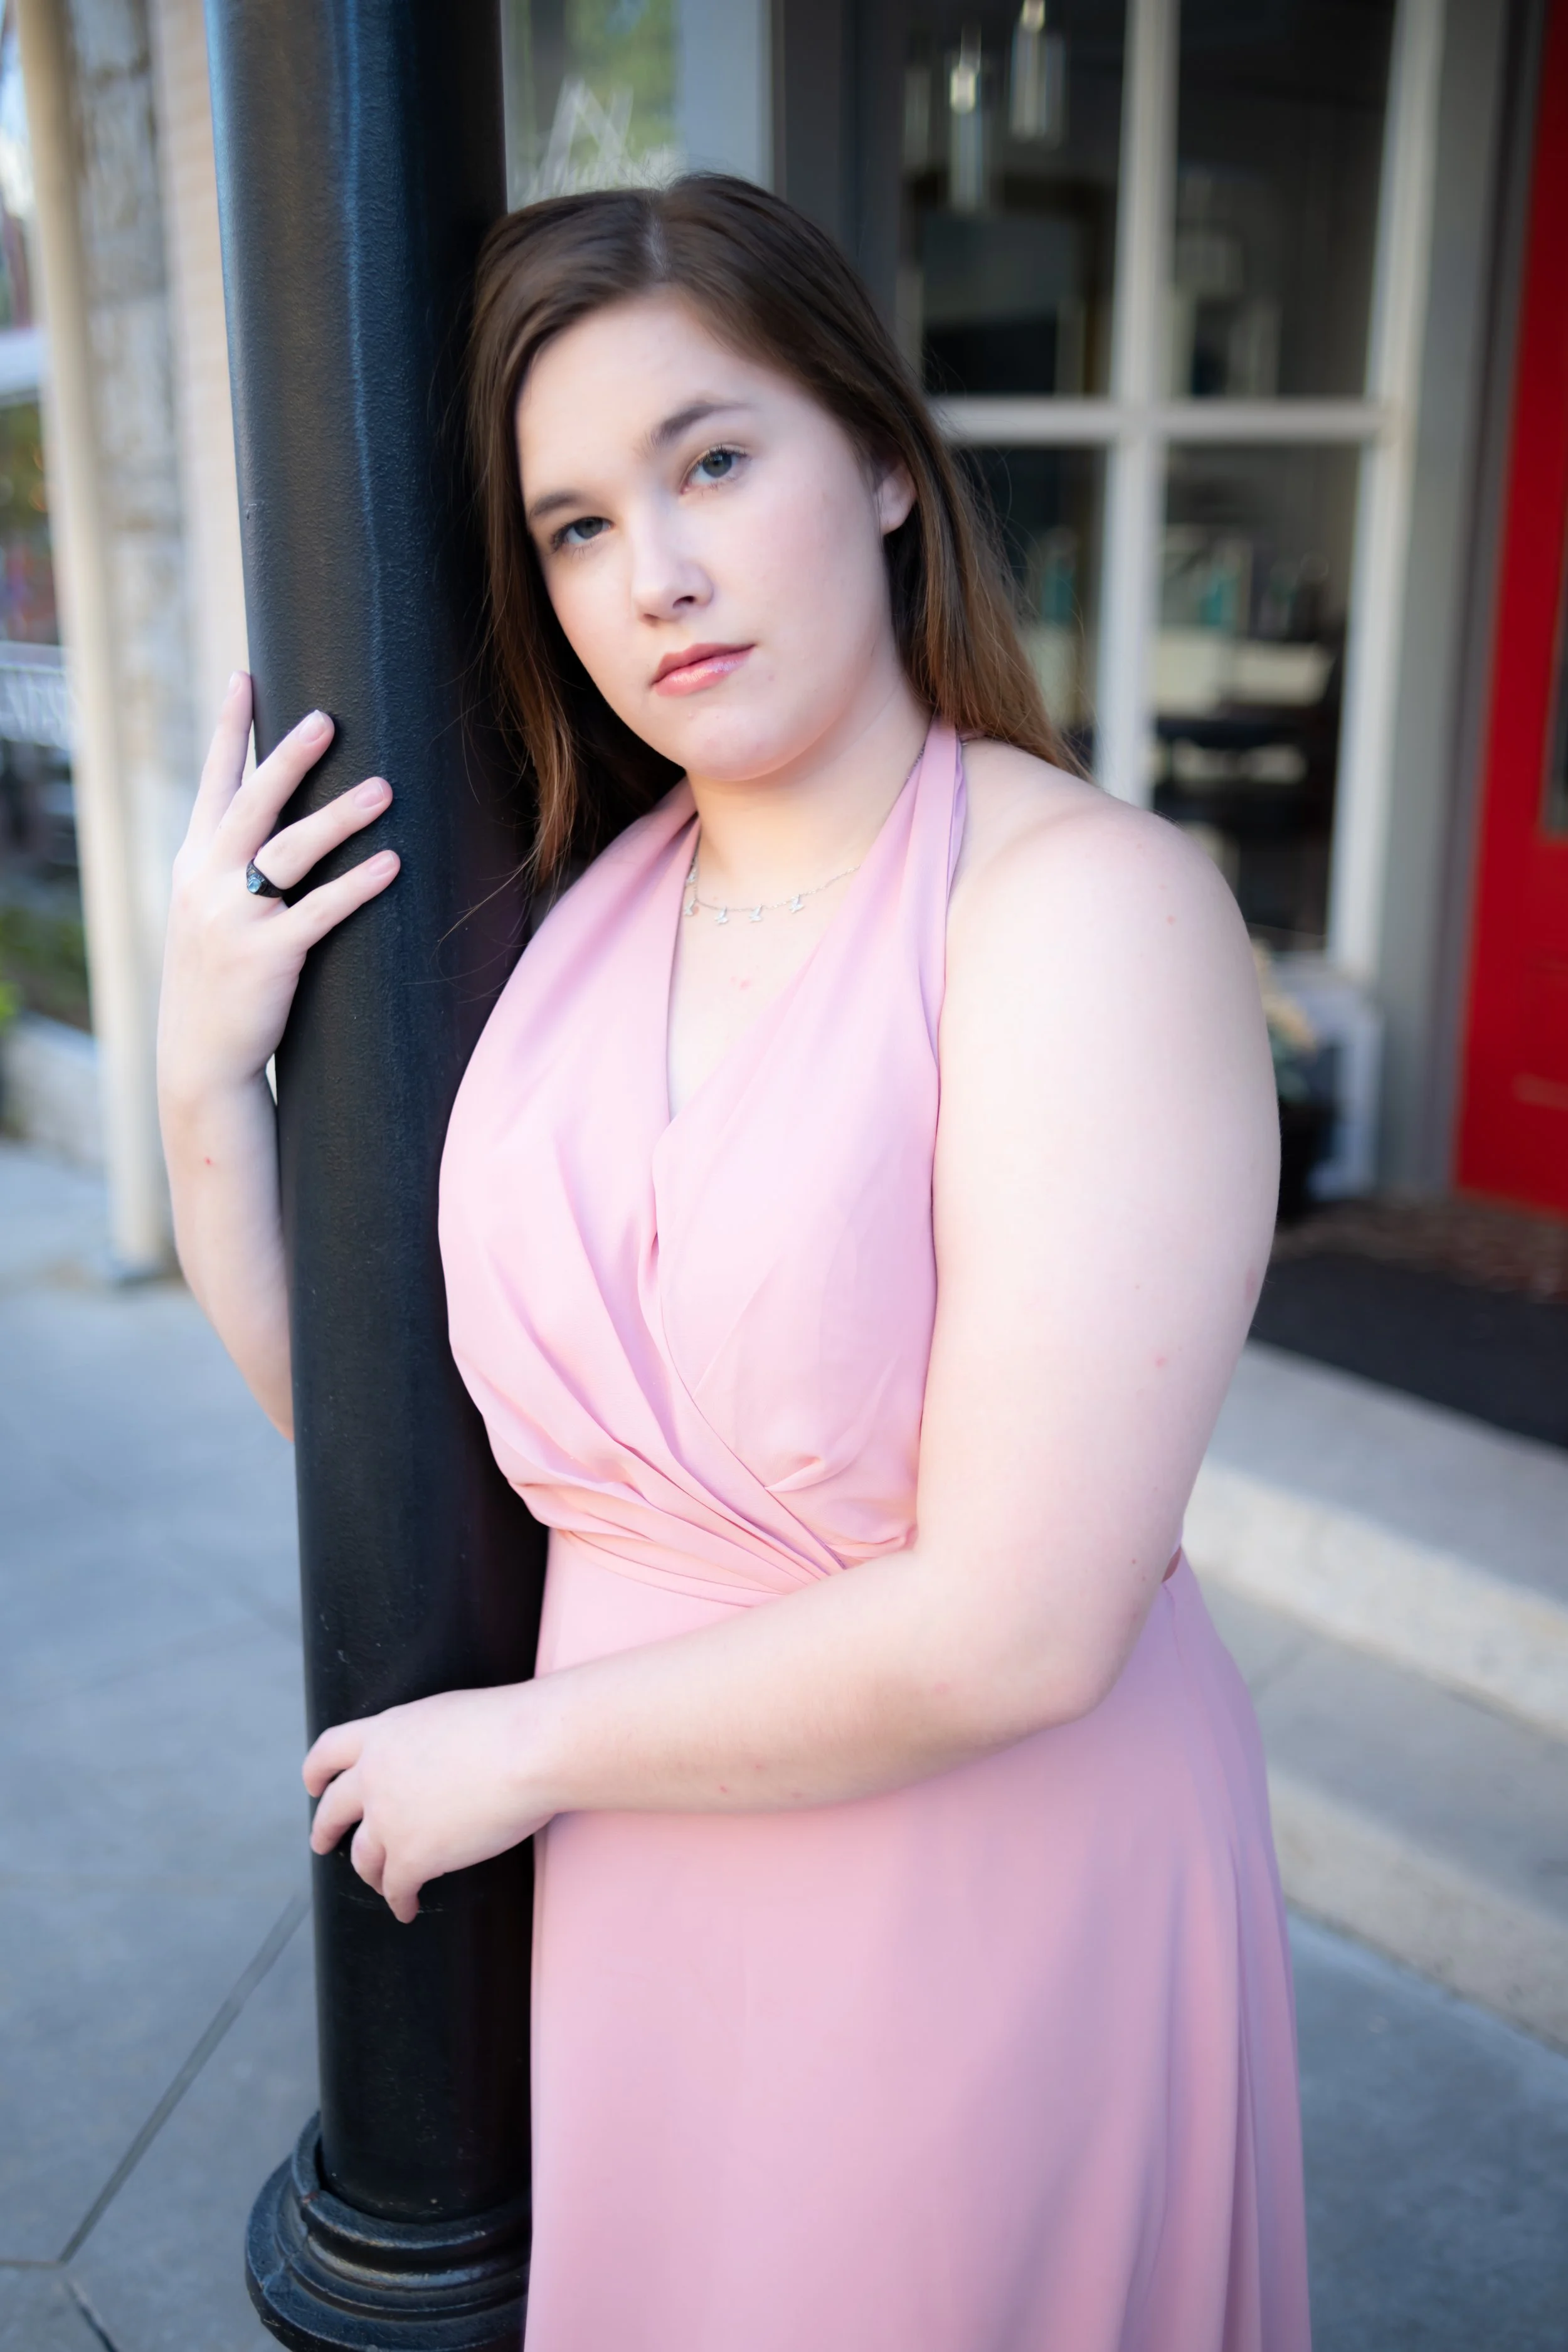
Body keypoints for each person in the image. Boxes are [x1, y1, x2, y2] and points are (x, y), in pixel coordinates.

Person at [157, 176, 1311, 2351]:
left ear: (879, 460)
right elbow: (418, 1449)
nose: (655, 572)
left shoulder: (1079, 911)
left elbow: (1024, 1624)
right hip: (646, 1887)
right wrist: (209, 1080)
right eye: (577, 524)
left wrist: (515, 1748)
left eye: (709, 459)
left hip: (974, 1896)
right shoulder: (576, 925)